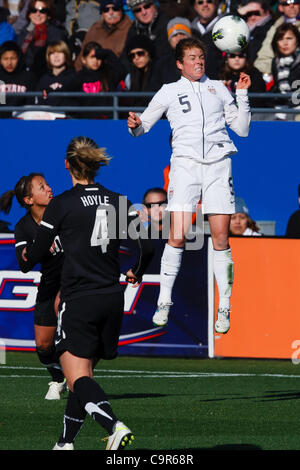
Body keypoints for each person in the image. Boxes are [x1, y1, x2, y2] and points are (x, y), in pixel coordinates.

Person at [22, 136, 154, 450]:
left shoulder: (62, 204)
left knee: (77, 377)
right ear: (95, 165)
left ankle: (114, 426)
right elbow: (147, 245)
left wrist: (29, 255)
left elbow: (39, 250)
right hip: (111, 297)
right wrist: (138, 269)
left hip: (79, 299)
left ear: (67, 164)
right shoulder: (118, 200)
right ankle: (65, 444)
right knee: (82, 375)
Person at [128, 37, 251, 335]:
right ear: (180, 64)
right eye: (192, 58)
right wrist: (133, 125)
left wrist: (243, 95)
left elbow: (243, 130)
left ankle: (225, 306)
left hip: (220, 164)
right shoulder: (169, 91)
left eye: (202, 57)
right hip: (185, 165)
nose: (198, 62)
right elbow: (142, 127)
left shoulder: (219, 88)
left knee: (221, 237)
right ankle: (164, 301)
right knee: (177, 233)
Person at [0, 173, 66, 399]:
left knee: (63, 311)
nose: (49, 189)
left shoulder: (64, 212)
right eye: (41, 187)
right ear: (29, 200)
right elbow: (24, 263)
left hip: (75, 281)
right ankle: (59, 377)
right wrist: (37, 247)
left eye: (47, 184)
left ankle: (80, 377)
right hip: (49, 283)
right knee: (43, 345)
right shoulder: (24, 227)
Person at [74, 0, 132, 71]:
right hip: (91, 76)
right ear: (102, 13)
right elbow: (81, 57)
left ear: (121, 10)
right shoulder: (95, 28)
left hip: (117, 75)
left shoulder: (130, 28)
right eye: (106, 10)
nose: (111, 13)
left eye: (115, 8)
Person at [72, 41, 124, 118]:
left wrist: (108, 53)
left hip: (107, 121)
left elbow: (121, 71)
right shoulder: (78, 77)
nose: (95, 61)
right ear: (83, 59)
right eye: (92, 57)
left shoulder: (108, 75)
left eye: (98, 57)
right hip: (86, 122)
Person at [17, 0, 67, 76]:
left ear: (49, 15)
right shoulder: (24, 32)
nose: (37, 14)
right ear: (29, 14)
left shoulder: (56, 34)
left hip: (46, 76)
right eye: (33, 10)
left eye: (43, 11)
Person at [254, 0, 300, 78]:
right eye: (286, 4)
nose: (291, 6)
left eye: (295, 2)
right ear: (280, 7)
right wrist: (276, 69)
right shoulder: (275, 28)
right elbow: (262, 60)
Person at [122, 0, 171, 71]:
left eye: (147, 6)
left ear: (154, 5)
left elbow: (165, 54)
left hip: (164, 70)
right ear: (133, 14)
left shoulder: (167, 23)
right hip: (140, 71)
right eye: (138, 10)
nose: (144, 12)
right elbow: (125, 56)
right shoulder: (134, 28)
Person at [35, 40, 76, 114]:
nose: (56, 56)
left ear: (66, 55)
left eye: (59, 52)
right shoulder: (44, 79)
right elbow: (39, 101)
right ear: (48, 57)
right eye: (52, 53)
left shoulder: (73, 77)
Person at [270, 22, 300, 120]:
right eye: (280, 39)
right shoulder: (276, 62)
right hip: (281, 108)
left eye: (289, 38)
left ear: (297, 40)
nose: (285, 43)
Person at [0, 40, 37, 118]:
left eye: (13, 58)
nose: (9, 62)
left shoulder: (28, 77)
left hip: (21, 120)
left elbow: (31, 103)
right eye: (5, 59)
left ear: (19, 58)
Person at [190, 0, 224, 78]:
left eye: (209, 1)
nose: (205, 5)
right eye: (200, 2)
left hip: (220, 80)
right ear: (195, 7)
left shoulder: (226, 27)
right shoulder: (189, 31)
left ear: (215, 4)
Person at [161, 16, 193, 83]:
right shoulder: (162, 63)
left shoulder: (201, 59)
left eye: (182, 34)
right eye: (174, 35)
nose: (179, 38)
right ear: (169, 40)